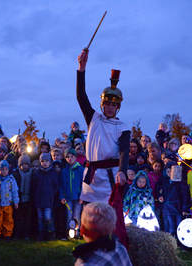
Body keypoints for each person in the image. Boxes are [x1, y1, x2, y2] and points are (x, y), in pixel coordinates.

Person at [76, 49, 130, 203]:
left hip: (110, 177)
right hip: (91, 177)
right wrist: (82, 68)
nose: (110, 107)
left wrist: (122, 171)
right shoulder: (94, 118)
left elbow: (124, 152)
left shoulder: (122, 127)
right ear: (102, 104)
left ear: (118, 107)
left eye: (114, 105)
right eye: (107, 104)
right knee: (89, 217)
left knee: (109, 216)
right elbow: (81, 96)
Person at [31, 153, 59, 241]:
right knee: (40, 218)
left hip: (49, 199)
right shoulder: (37, 173)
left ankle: (50, 232)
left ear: (50, 162)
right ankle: (41, 233)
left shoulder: (53, 173)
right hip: (39, 199)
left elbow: (56, 186)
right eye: (43, 161)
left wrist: (53, 195)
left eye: (47, 161)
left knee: (48, 217)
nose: (45, 163)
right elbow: (33, 186)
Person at [59, 148, 84, 235]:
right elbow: (61, 185)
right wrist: (62, 196)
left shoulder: (80, 169)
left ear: (75, 157)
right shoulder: (64, 171)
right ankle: (69, 233)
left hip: (78, 197)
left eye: (71, 156)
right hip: (67, 197)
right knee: (69, 215)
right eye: (67, 157)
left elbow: (83, 184)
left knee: (76, 215)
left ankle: (77, 232)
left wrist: (83, 196)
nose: (70, 159)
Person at [0, 160, 19, 240]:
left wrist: (16, 201)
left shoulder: (11, 179)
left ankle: (7, 234)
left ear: (8, 170)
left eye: (6, 169)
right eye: (2, 169)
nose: (4, 171)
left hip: (8, 203)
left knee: (8, 220)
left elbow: (14, 191)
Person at [13, 154, 33, 239]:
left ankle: (26, 233)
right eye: (22, 164)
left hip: (29, 198)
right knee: (18, 217)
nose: (24, 166)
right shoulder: (16, 174)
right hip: (19, 198)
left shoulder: (32, 173)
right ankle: (18, 233)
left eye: (26, 164)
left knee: (28, 218)